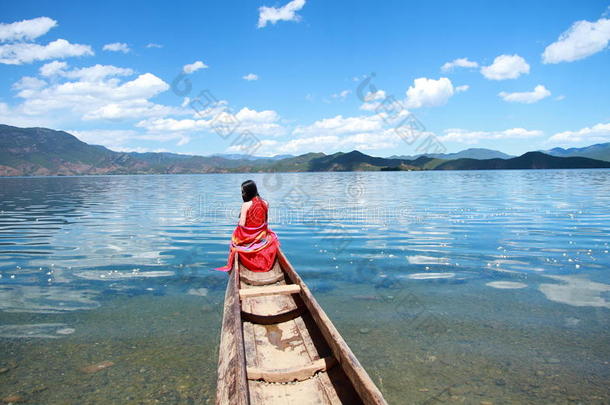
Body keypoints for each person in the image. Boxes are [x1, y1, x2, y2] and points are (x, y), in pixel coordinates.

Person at [215, 180, 279, 272]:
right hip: (262, 237)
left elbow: (242, 225)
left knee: (234, 239)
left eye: (243, 191)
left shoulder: (246, 205)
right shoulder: (265, 203)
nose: (242, 194)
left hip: (249, 238)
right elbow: (264, 222)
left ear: (248, 192)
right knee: (272, 236)